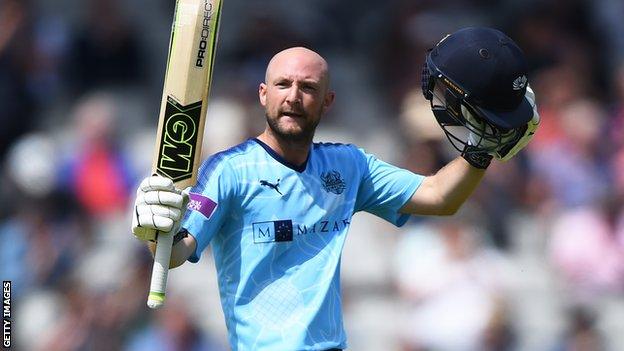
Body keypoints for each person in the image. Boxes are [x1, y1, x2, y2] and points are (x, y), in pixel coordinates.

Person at [132, 27, 539, 351]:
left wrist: (480, 152)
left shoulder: (349, 165)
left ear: (327, 102)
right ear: (263, 94)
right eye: (282, 85)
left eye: (307, 88)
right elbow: (176, 251)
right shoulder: (229, 171)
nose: (293, 97)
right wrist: (156, 231)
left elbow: (438, 197)